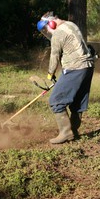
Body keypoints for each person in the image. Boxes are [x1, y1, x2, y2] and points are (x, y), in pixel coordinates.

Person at [37, 12, 95, 144]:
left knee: (56, 100)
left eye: (46, 29)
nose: (47, 32)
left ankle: (66, 133)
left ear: (51, 23)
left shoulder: (58, 33)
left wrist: (50, 74)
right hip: (88, 67)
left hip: (75, 68)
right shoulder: (71, 24)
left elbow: (54, 56)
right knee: (78, 101)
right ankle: (73, 131)